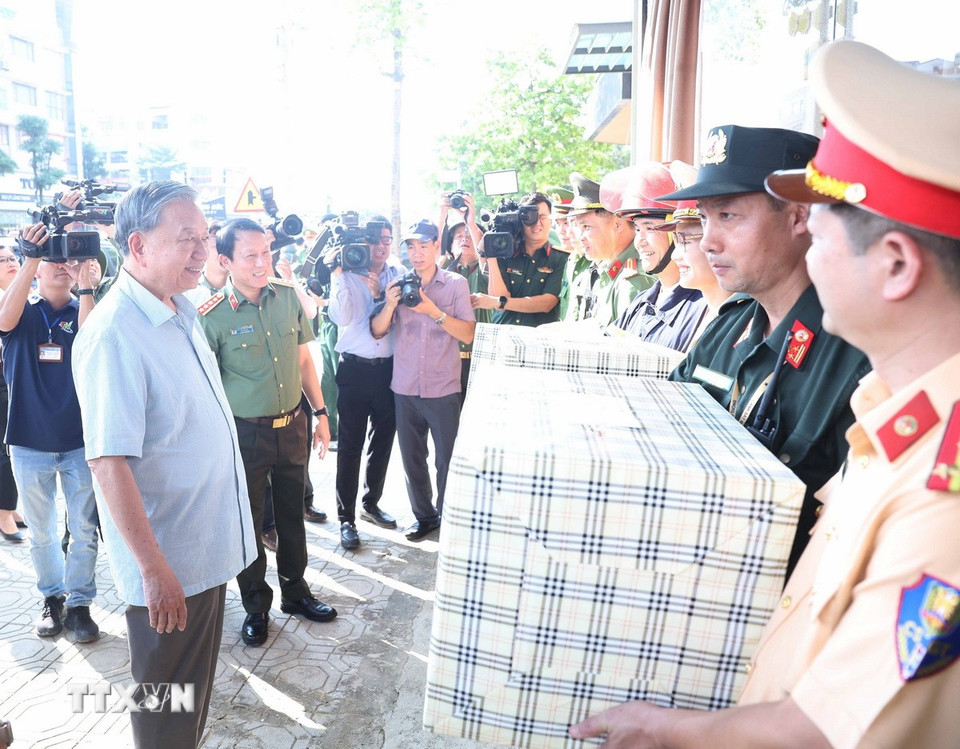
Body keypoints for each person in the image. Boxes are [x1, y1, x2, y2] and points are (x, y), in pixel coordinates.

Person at [570, 39, 960, 749]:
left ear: (896, 263)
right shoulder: (889, 411)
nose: (812, 246)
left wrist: (673, 731)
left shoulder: (943, 485)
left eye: (825, 225)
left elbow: (830, 726)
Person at [72, 180, 257, 748]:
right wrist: (153, 570)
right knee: (163, 704)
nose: (203, 251)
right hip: (170, 563)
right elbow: (108, 462)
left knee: (188, 698)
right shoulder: (114, 334)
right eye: (186, 239)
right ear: (138, 245)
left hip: (203, 550)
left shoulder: (178, 308)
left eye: (204, 237)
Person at [664, 124, 870, 577]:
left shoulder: (858, 357)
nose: (707, 241)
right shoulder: (730, 327)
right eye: (703, 218)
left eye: (728, 216)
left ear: (799, 217)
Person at [198, 218, 335, 647]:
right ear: (225, 261)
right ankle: (256, 606)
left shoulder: (288, 297)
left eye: (267, 253)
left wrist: (321, 414)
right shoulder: (212, 315)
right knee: (249, 522)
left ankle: (296, 593)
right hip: (244, 435)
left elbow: (305, 361)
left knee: (292, 516)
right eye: (250, 256)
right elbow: (207, 388)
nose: (262, 263)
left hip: (293, 424)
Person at [0, 226, 100, 642]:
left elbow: (93, 343)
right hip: (28, 442)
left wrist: (89, 288)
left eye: (70, 259)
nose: (63, 265)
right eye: (54, 260)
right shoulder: (22, 309)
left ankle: (79, 604)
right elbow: (4, 320)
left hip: (80, 441)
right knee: (40, 532)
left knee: (83, 529)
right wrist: (31, 257)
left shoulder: (85, 308)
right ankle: (52, 598)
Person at [370, 219, 475, 541]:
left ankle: (449, 517)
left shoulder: (455, 284)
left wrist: (433, 311)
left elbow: (469, 335)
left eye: (424, 246)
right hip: (404, 386)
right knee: (413, 460)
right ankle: (425, 517)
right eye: (411, 247)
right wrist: (389, 303)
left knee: (447, 460)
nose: (416, 253)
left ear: (436, 246)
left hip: (443, 386)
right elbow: (377, 330)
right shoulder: (400, 285)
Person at [326, 215, 403, 550]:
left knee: (383, 441)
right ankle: (346, 519)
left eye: (387, 239)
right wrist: (339, 277)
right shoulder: (345, 275)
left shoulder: (397, 274)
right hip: (354, 370)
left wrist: (382, 294)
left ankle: (371, 504)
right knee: (350, 445)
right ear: (363, 244)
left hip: (388, 370)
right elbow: (341, 318)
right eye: (375, 240)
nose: (382, 246)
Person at [605, 162, 709, 352]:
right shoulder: (641, 302)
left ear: (676, 231)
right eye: (637, 229)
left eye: (650, 228)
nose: (640, 241)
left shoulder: (705, 306)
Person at [566, 172, 653, 325]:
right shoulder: (603, 268)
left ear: (618, 224)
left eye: (587, 227)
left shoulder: (634, 279)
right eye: (579, 227)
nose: (580, 236)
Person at [471, 192, 567, 326]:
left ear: (551, 221)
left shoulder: (561, 258)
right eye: (530, 217)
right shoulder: (505, 253)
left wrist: (501, 302)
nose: (536, 223)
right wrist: (492, 254)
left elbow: (547, 303)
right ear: (520, 221)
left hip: (537, 338)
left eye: (542, 217)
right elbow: (498, 296)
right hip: (502, 333)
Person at [652, 205, 731, 350]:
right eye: (676, 241)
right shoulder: (703, 312)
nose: (675, 256)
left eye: (685, 241)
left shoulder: (743, 322)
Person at [439, 191, 488, 400]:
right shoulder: (443, 273)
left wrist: (471, 222)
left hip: (482, 357)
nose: (465, 238)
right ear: (449, 246)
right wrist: (441, 215)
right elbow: (430, 253)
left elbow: (486, 255)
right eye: (459, 236)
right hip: (448, 359)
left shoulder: (488, 271)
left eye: (470, 235)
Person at [0, 246, 24, 542]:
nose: (10, 263)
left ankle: (11, 507)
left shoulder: (21, 292)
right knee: (4, 450)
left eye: (12, 258)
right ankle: (4, 513)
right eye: (2, 260)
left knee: (13, 445)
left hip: (14, 376)